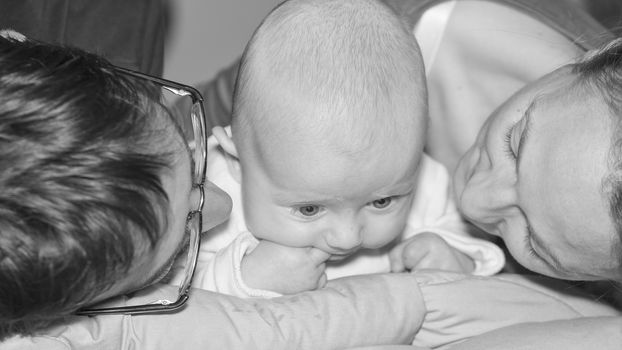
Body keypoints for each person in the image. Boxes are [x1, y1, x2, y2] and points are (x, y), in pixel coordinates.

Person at [1, 1, 621, 349]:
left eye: (535, 241)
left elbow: (448, 224)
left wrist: (458, 257)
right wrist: (248, 274)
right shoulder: (257, 156)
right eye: (514, 142)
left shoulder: (401, 154)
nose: (477, 197)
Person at [178, 0, 504, 298]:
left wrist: (454, 259)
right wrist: (244, 278)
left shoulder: (417, 179)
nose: (348, 237)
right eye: (309, 209)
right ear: (237, 160)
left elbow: (472, 244)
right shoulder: (207, 198)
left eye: (382, 202)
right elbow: (167, 297)